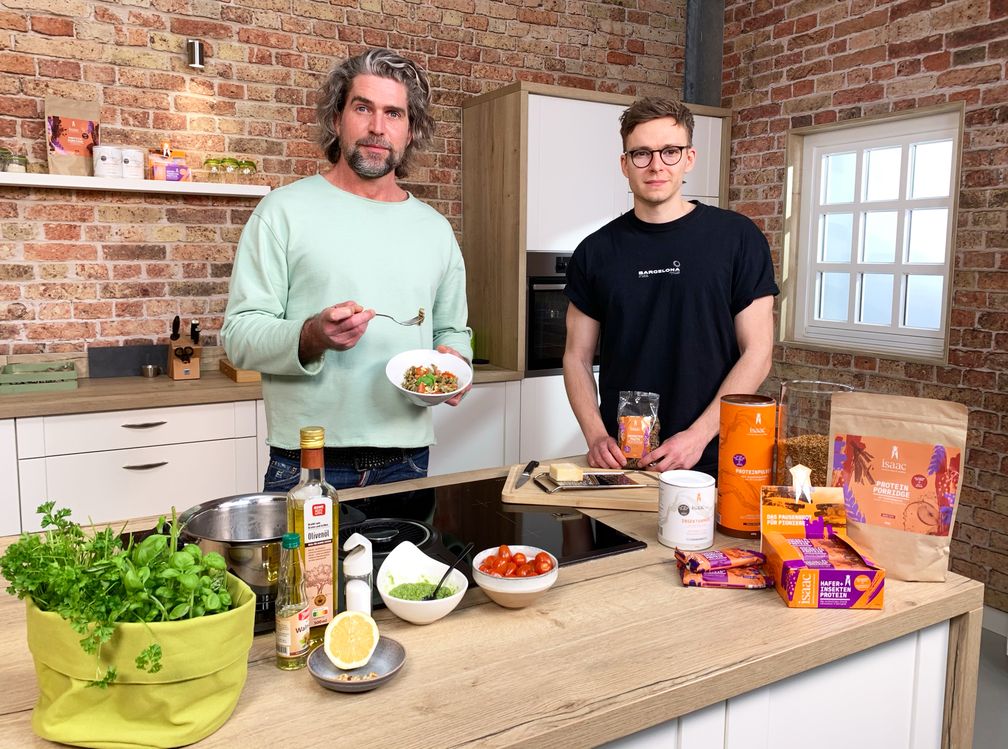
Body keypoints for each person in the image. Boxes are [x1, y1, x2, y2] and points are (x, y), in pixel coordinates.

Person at [222, 48, 472, 493]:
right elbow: (239, 336)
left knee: (403, 568)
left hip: (407, 459)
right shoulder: (281, 212)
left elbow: (452, 330)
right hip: (307, 461)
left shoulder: (436, 231)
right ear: (336, 119)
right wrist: (311, 336)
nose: (378, 127)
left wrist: (456, 363)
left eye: (394, 113)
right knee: (302, 569)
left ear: (410, 131)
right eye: (363, 108)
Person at [562, 97, 778, 477]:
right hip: (625, 460)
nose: (656, 165)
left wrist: (696, 437)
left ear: (689, 158)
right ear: (624, 164)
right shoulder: (595, 251)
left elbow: (758, 352)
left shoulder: (737, 238)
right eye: (642, 153)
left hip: (716, 455)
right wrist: (596, 436)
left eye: (670, 151)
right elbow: (576, 357)